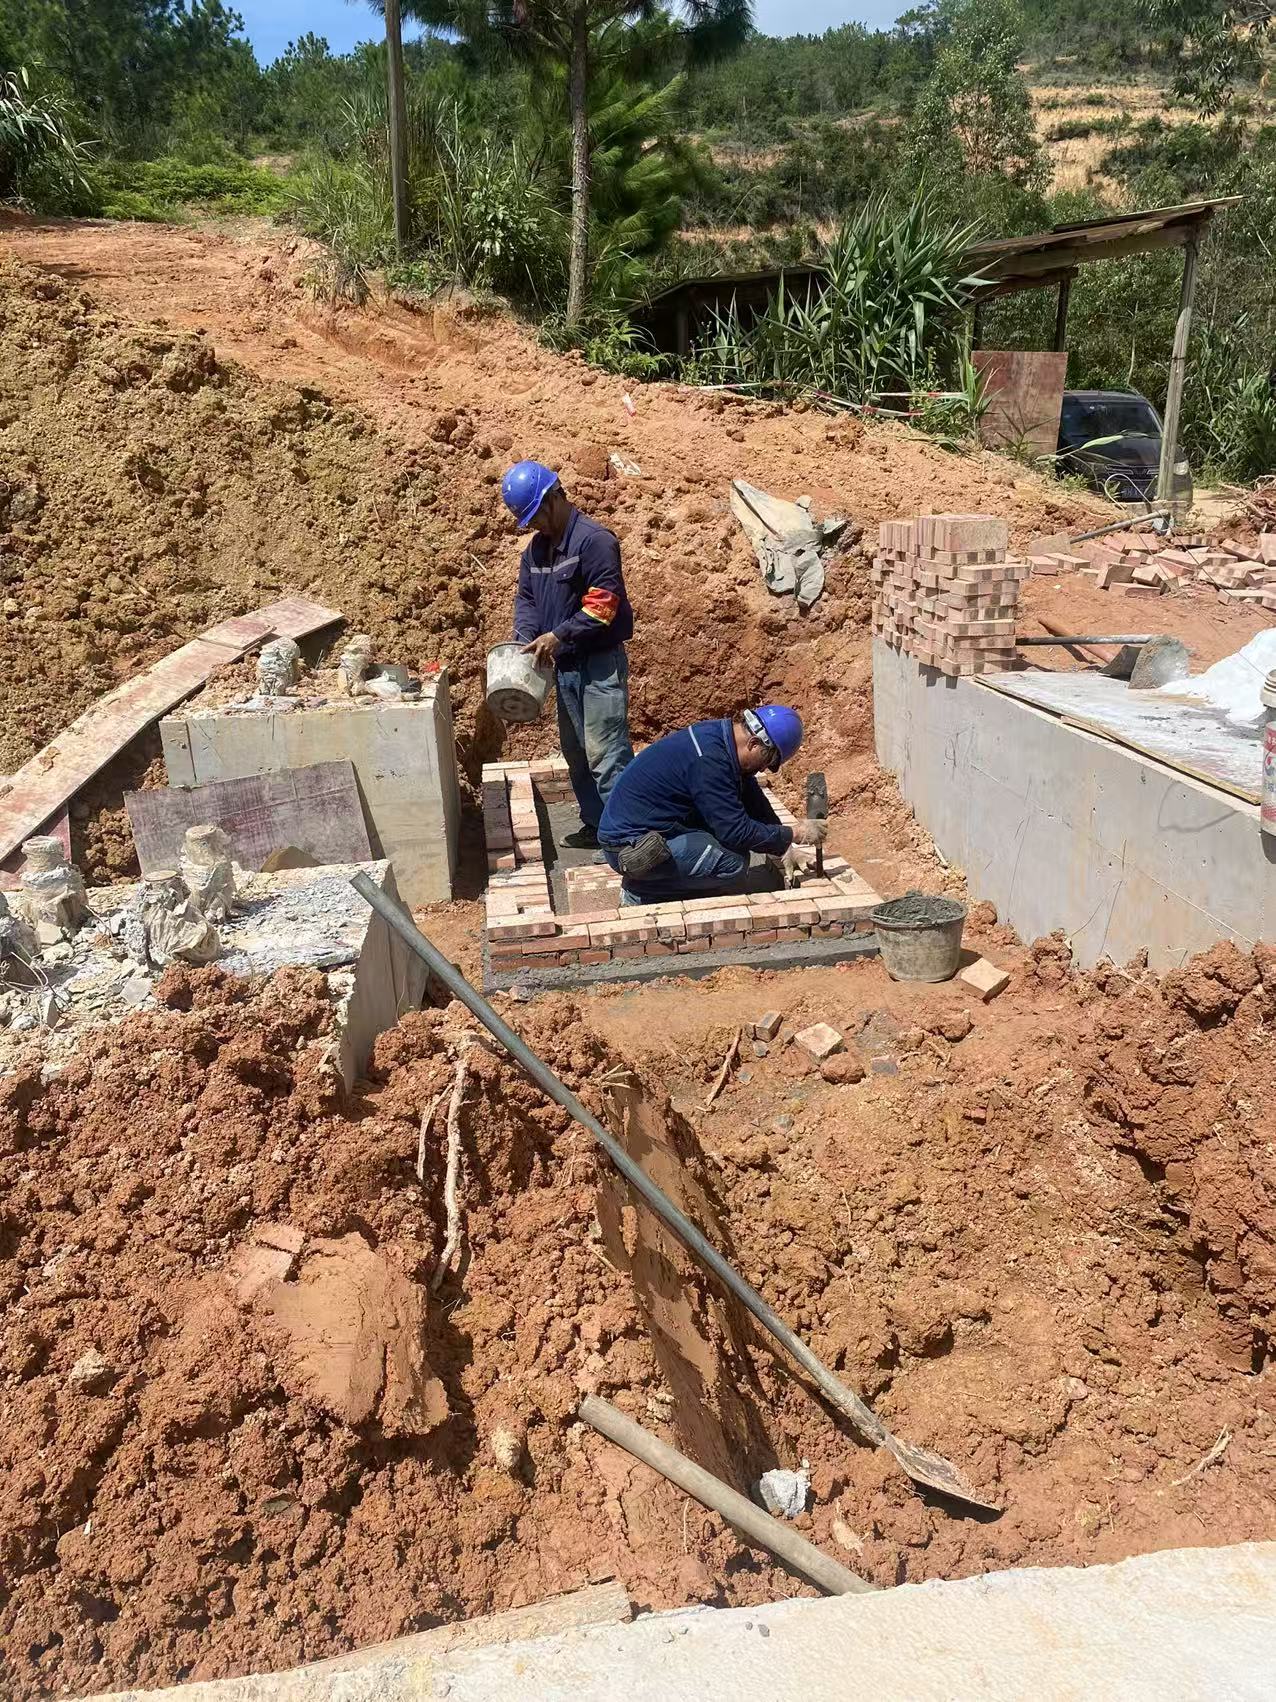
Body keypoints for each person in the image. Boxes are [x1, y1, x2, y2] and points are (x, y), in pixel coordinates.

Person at [502, 460, 634, 850]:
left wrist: (558, 635)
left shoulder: (595, 542)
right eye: (528, 521)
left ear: (554, 497)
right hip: (566, 667)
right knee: (576, 752)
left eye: (536, 516)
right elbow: (527, 600)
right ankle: (597, 825)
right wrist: (525, 638)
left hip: (599, 663)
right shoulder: (536, 552)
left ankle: (630, 838)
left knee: (606, 753)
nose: (535, 525)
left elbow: (603, 606)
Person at [598, 706, 826, 905]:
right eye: (768, 761)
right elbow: (736, 831)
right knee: (733, 862)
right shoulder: (710, 761)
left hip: (650, 830)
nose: (764, 769)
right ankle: (640, 893)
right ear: (754, 744)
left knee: (725, 844)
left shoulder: (722, 738)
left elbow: (750, 796)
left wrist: (785, 847)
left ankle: (661, 877)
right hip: (630, 848)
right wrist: (795, 833)